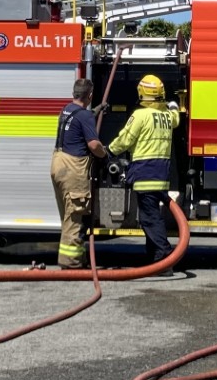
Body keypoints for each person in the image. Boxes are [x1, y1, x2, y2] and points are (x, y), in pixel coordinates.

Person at [108, 74, 178, 265]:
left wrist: (108, 152)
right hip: (161, 175)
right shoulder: (166, 116)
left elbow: (125, 139)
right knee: (153, 215)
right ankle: (154, 258)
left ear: (142, 93)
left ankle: (164, 257)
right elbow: (176, 118)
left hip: (145, 174)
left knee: (149, 220)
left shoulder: (140, 115)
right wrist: (173, 105)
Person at [51, 78, 107, 269]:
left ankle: (75, 258)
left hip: (58, 163)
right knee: (75, 216)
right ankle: (71, 262)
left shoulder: (66, 110)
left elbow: (80, 118)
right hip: (73, 167)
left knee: (67, 215)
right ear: (89, 95)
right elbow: (93, 144)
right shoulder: (85, 117)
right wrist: (104, 154)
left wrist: (97, 110)